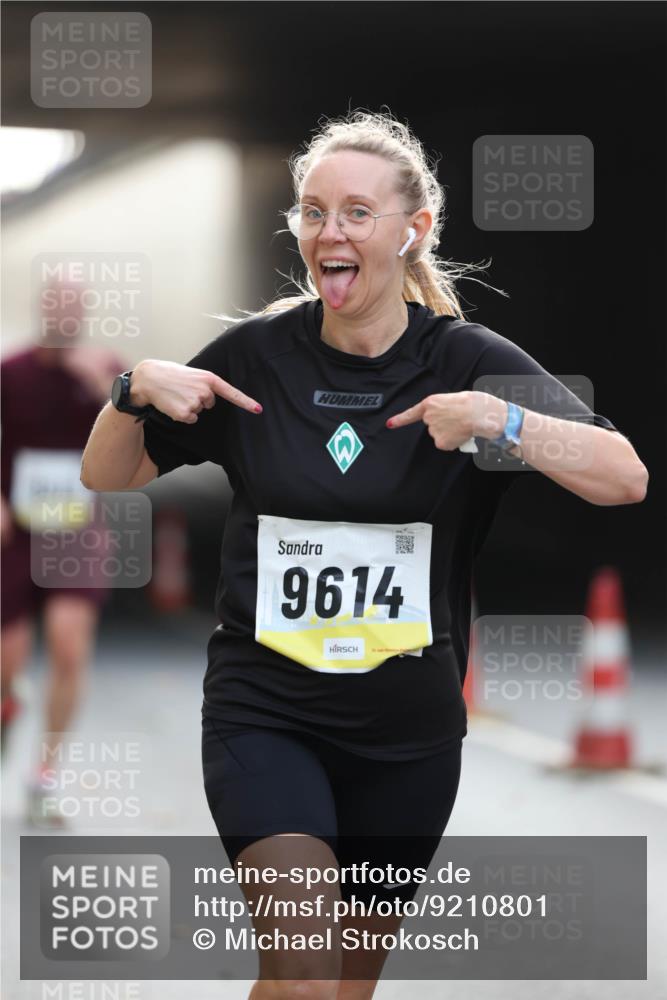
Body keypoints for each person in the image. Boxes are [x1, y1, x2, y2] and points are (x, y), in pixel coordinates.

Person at [79, 110, 648, 999]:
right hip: (266, 709)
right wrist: (129, 392)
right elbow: (108, 476)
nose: (327, 233)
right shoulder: (257, 356)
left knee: (344, 981)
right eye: (311, 212)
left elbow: (622, 477)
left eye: (353, 212)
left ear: (412, 230)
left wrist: (501, 419)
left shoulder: (466, 361)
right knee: (301, 965)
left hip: (406, 732)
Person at [1, 281, 125, 827]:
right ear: (42, 309)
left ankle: (44, 777)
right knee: (7, 659)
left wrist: (101, 385)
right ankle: (9, 698)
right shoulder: (13, 372)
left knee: (69, 646)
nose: (65, 315)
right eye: (56, 304)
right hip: (17, 530)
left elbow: (135, 439)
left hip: (75, 529)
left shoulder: (106, 369)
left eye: (75, 306)